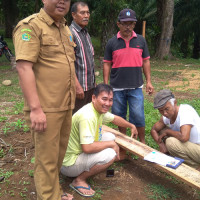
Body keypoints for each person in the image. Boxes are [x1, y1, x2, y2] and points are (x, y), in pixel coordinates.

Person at [13, 0, 75, 199]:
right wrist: (35, 109)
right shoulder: (30, 26)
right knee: (46, 161)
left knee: (58, 156)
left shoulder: (65, 28)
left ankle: (55, 192)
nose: (62, 1)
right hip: (46, 108)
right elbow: (24, 67)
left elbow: (65, 62)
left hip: (65, 105)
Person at [61, 83, 138, 197]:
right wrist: (111, 145)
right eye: (104, 99)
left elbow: (115, 119)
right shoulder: (87, 116)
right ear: (94, 98)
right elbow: (87, 148)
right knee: (110, 153)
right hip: (68, 164)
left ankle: (95, 163)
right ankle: (79, 180)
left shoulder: (96, 109)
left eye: (110, 100)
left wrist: (131, 125)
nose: (107, 103)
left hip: (77, 152)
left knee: (110, 137)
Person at [103, 8, 154, 144]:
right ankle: (124, 142)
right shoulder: (111, 43)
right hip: (117, 87)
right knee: (119, 115)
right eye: (125, 23)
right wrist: (106, 84)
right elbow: (107, 64)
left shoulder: (141, 41)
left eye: (131, 23)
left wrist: (148, 81)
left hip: (136, 86)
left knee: (138, 115)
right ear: (118, 24)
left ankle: (142, 142)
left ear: (134, 24)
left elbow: (146, 61)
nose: (128, 26)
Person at [151, 89, 200, 169]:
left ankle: (195, 167)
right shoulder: (167, 116)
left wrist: (168, 132)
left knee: (170, 142)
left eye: (167, 109)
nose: (164, 113)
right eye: (161, 111)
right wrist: (161, 144)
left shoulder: (185, 111)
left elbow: (184, 137)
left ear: (175, 103)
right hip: (192, 147)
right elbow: (154, 130)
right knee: (162, 130)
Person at [70, 2, 95, 114]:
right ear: (74, 15)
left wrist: (94, 84)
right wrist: (77, 85)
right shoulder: (70, 33)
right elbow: (68, 62)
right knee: (76, 117)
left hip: (89, 86)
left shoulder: (85, 33)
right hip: (79, 88)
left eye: (88, 12)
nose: (86, 15)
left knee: (87, 116)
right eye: (82, 13)